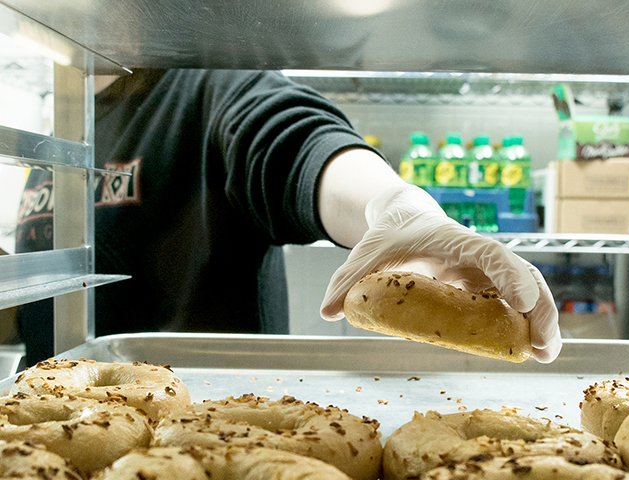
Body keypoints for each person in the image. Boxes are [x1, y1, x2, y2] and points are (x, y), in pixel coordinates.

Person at [16, 69, 561, 365]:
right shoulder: (63, 110)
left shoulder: (208, 86)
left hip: (208, 422)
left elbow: (291, 140)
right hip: (43, 425)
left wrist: (391, 206)